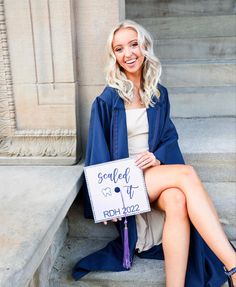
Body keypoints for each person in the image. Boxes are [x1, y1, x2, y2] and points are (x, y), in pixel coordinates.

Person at [72, 20, 236, 287]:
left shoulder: (158, 94)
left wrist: (158, 156)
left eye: (133, 44)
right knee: (186, 174)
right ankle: (233, 265)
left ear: (144, 46)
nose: (128, 54)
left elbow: (169, 137)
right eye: (119, 48)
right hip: (127, 182)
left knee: (176, 199)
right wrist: (104, 202)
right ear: (113, 55)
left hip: (155, 177)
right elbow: (97, 152)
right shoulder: (107, 100)